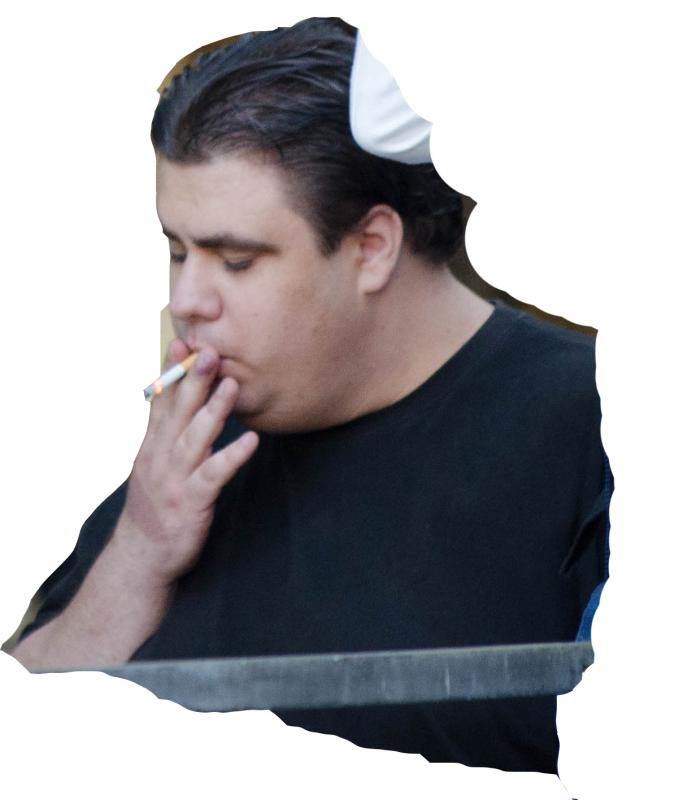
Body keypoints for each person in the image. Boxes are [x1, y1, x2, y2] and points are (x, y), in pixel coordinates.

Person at [8, 16, 611, 774]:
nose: (187, 300)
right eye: (177, 251)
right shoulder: (195, 448)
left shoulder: (606, 430)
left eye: (236, 260)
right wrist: (140, 549)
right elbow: (23, 734)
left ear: (371, 248)